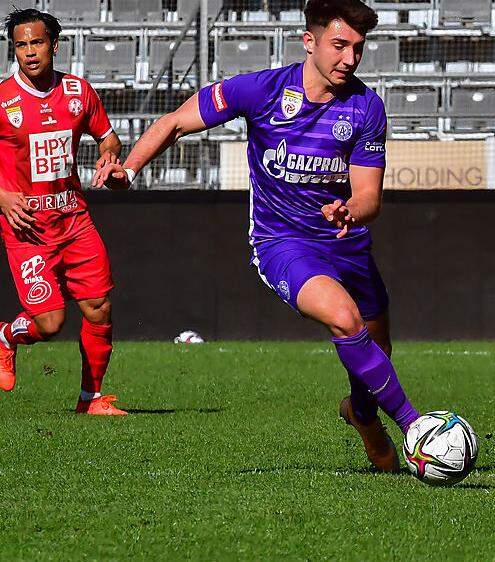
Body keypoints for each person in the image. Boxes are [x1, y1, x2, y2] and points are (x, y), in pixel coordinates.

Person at [93, 0, 416, 471]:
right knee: (345, 320)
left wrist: (350, 209)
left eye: (358, 49)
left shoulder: (367, 106)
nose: (349, 59)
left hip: (347, 244)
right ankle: (417, 427)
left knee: (376, 354)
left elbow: (370, 196)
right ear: (310, 42)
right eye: (339, 45)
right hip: (283, 243)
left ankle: (362, 416)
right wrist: (130, 169)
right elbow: (175, 122)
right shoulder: (261, 89)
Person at [0, 8, 126, 415]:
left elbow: (109, 139)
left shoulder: (78, 91)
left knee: (99, 307)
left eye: (37, 42)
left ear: (54, 45)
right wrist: (2, 198)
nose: (30, 52)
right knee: (50, 324)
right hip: (27, 230)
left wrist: (108, 159)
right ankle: (6, 337)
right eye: (21, 45)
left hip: (74, 220)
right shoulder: (3, 99)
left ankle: (91, 398)